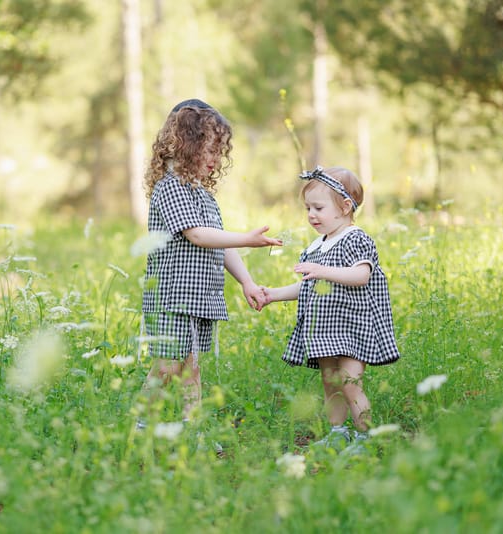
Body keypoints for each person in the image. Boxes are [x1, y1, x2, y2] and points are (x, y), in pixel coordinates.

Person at [139, 98, 282, 427]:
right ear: (187, 146)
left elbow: (220, 241)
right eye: (211, 150)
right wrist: (246, 238)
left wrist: (246, 281)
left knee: (190, 366)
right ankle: (141, 428)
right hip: (172, 297)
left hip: (198, 296)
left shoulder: (201, 192)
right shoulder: (170, 188)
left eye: (220, 153)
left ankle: (195, 432)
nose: (217, 160)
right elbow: (199, 236)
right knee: (167, 367)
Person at [260, 165, 400, 452]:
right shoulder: (317, 246)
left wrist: (322, 270)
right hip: (324, 329)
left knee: (350, 383)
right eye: (308, 208)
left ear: (345, 207)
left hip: (351, 327)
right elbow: (309, 285)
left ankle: (365, 436)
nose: (311, 215)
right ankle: (338, 432)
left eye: (319, 208)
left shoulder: (355, 238)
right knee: (330, 383)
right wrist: (273, 295)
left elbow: (361, 276)